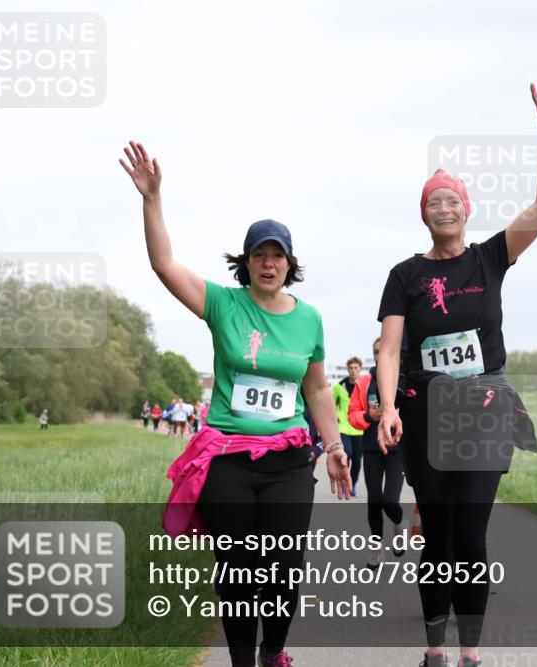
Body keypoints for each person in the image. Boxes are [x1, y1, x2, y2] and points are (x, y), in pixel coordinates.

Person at [120, 140, 352, 667]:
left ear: (289, 263)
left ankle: (273, 653)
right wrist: (152, 199)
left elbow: (317, 388)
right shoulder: (224, 304)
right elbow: (163, 264)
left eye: (277, 255)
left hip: (288, 459)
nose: (268, 263)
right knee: (239, 569)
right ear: (246, 262)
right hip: (227, 459)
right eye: (259, 255)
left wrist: (335, 445)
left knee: (283, 567)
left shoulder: (309, 319)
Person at [375, 78, 537, 667]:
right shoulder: (405, 275)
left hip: (485, 412)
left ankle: (471, 655)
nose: (444, 208)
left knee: (471, 536)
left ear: (467, 209)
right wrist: (387, 408)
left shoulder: (489, 258)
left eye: (452, 200)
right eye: (434, 202)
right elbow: (389, 349)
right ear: (424, 214)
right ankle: (435, 651)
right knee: (437, 537)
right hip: (426, 415)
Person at [348, 338, 409, 569]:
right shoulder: (364, 382)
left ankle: (400, 523)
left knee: (389, 500)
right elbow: (352, 414)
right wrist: (367, 416)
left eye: (382, 351)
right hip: (372, 448)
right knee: (374, 501)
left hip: (397, 449)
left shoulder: (405, 378)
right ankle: (377, 548)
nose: (378, 355)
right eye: (375, 352)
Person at [332, 356, 366, 496]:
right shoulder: (339, 386)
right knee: (347, 455)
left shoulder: (364, 385)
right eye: (350, 368)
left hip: (359, 429)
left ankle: (352, 486)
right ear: (347, 369)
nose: (353, 370)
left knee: (357, 462)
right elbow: (331, 403)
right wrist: (336, 415)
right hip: (343, 428)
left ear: (360, 369)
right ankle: (345, 483)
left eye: (356, 368)